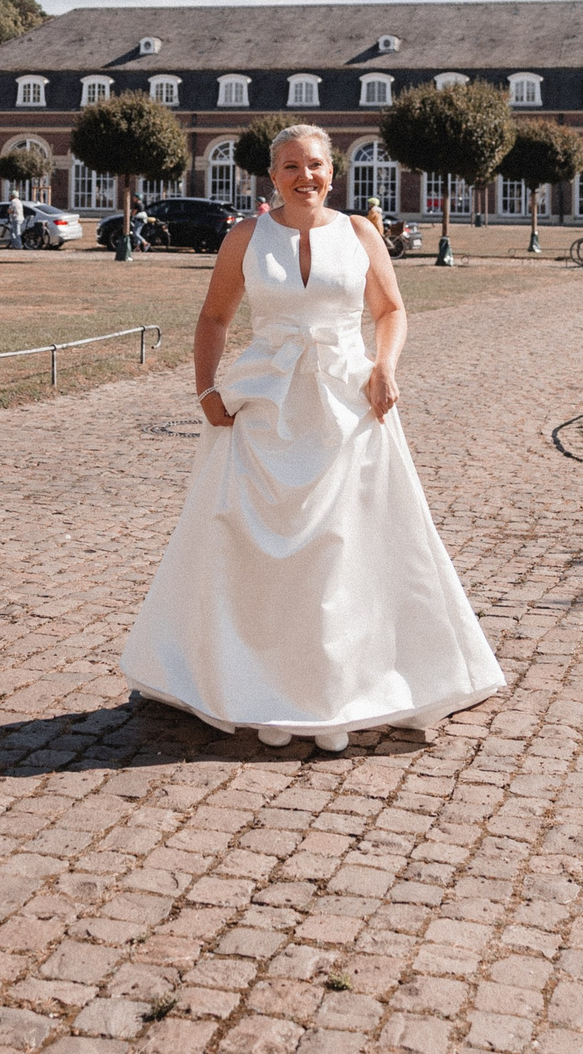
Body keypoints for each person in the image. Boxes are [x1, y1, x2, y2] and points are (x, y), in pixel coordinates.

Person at [121, 125, 503, 751]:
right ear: (272, 176)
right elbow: (214, 316)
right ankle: (259, 686)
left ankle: (338, 692)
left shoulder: (360, 233)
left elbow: (391, 311)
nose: (305, 176)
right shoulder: (245, 237)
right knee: (253, 547)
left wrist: (386, 366)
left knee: (342, 548)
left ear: (334, 171)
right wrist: (205, 388)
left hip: (347, 409)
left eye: (316, 165)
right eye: (291, 166)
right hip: (264, 407)